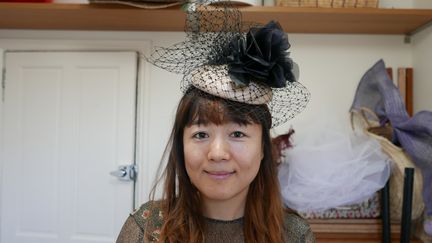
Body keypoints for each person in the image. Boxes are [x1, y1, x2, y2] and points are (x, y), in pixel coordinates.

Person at [116, 1, 314, 242]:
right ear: (181, 146)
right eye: (201, 134)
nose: (217, 153)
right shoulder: (144, 228)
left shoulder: (293, 234)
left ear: (263, 148)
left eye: (238, 134)